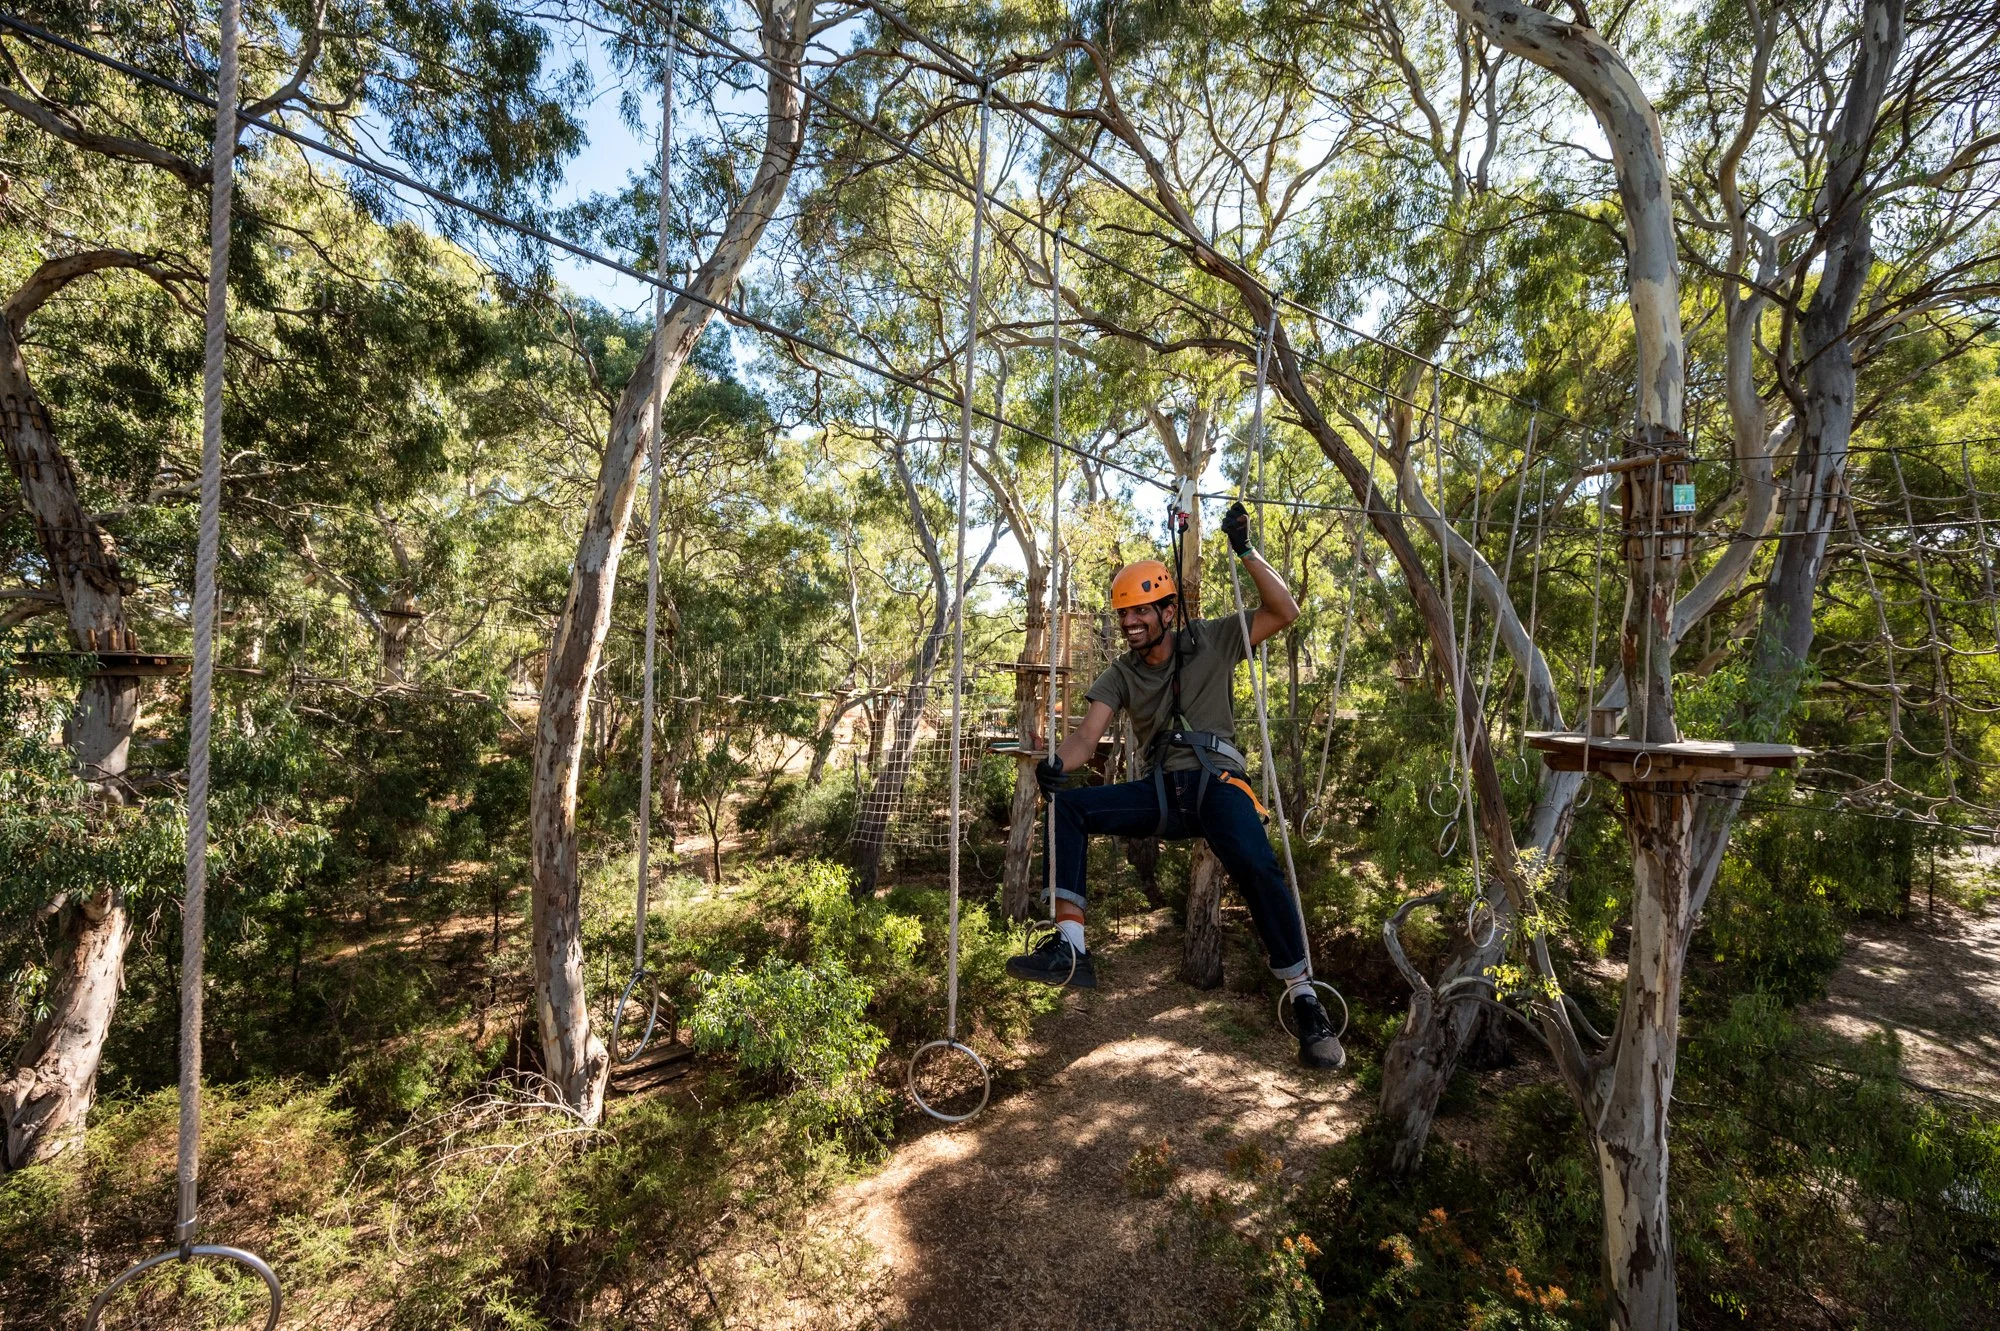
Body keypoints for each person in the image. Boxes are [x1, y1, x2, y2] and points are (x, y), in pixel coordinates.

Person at [1007, 501, 1346, 1069]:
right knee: (1069, 808)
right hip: (1165, 793)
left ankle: (1304, 997)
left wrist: (1245, 550)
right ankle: (1072, 947)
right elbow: (1087, 738)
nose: (1131, 623)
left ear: (1169, 609)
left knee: (1257, 866)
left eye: (1141, 612)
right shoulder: (1120, 673)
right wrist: (1057, 767)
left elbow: (1283, 610)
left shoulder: (1212, 640)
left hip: (1219, 785)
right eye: (1125, 616)